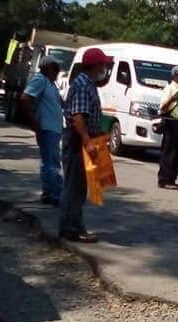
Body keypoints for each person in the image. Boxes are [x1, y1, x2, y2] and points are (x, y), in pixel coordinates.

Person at [60, 47, 113, 243]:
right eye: (103, 65)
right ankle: (71, 229)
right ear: (96, 65)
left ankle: (73, 226)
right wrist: (88, 142)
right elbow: (79, 118)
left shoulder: (88, 83)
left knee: (78, 187)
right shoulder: (83, 85)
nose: (105, 68)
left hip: (82, 139)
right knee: (75, 187)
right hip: (77, 141)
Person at [24, 55, 64, 206]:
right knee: (53, 162)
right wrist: (34, 121)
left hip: (52, 127)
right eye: (56, 67)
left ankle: (48, 192)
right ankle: (56, 194)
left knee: (47, 162)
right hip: (47, 127)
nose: (58, 71)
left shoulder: (51, 83)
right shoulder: (40, 80)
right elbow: (25, 98)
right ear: (48, 67)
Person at [157, 66, 178, 190]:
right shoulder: (170, 89)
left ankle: (172, 179)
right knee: (169, 151)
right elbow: (162, 107)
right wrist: (173, 99)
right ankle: (163, 179)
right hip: (170, 121)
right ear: (175, 76)